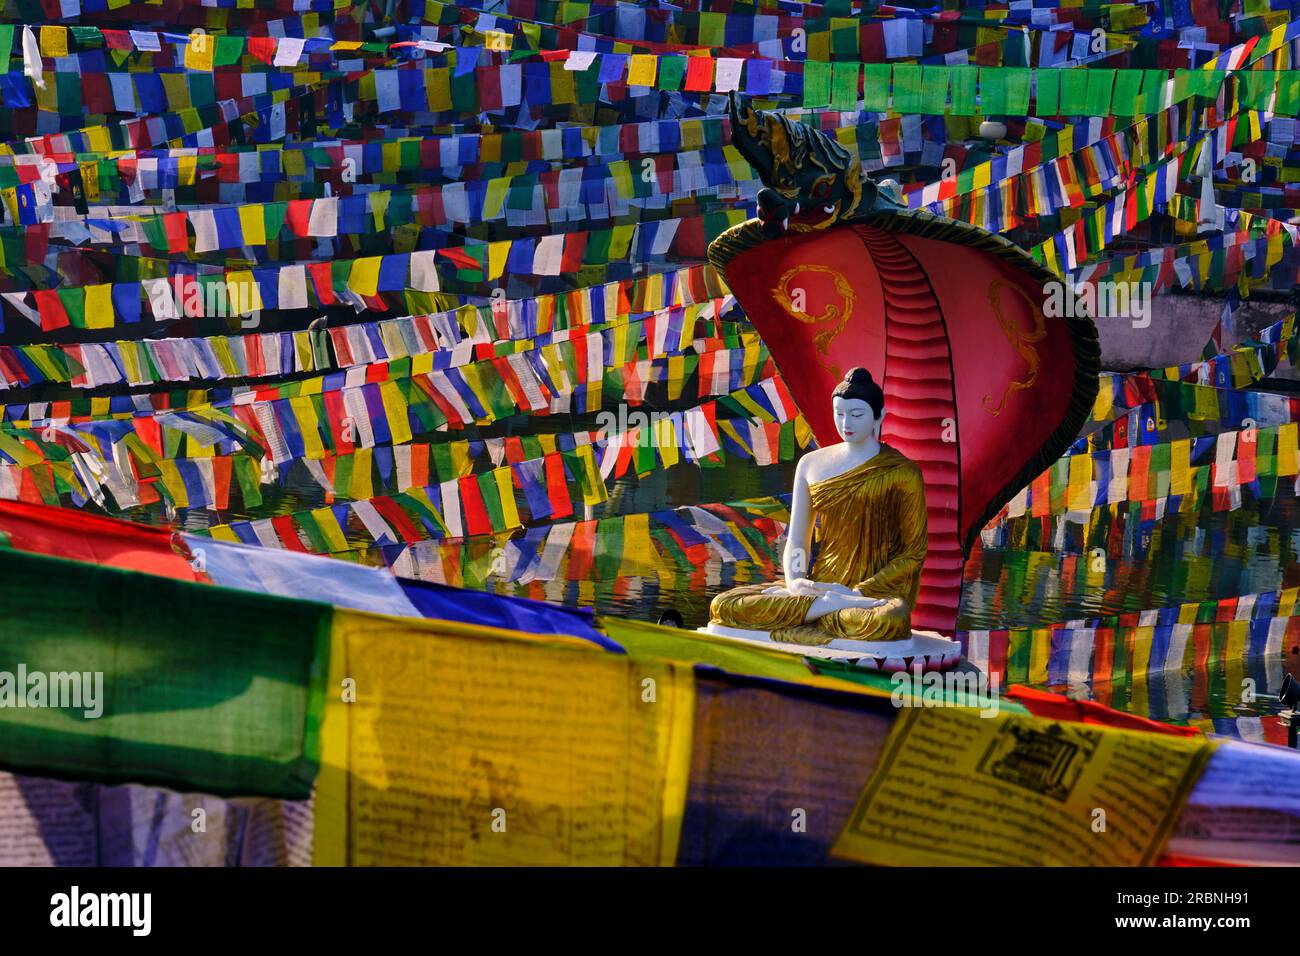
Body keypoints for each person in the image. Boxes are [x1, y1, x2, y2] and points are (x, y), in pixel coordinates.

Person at [708, 367, 927, 645]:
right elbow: (798, 539)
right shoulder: (811, 464)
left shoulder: (903, 472)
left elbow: (913, 553)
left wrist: (859, 594)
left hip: (871, 596)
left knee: (887, 619)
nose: (846, 422)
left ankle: (824, 608)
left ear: (879, 417)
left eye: (857, 415)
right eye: (839, 413)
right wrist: (796, 580)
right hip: (820, 586)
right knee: (725, 604)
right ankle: (823, 607)